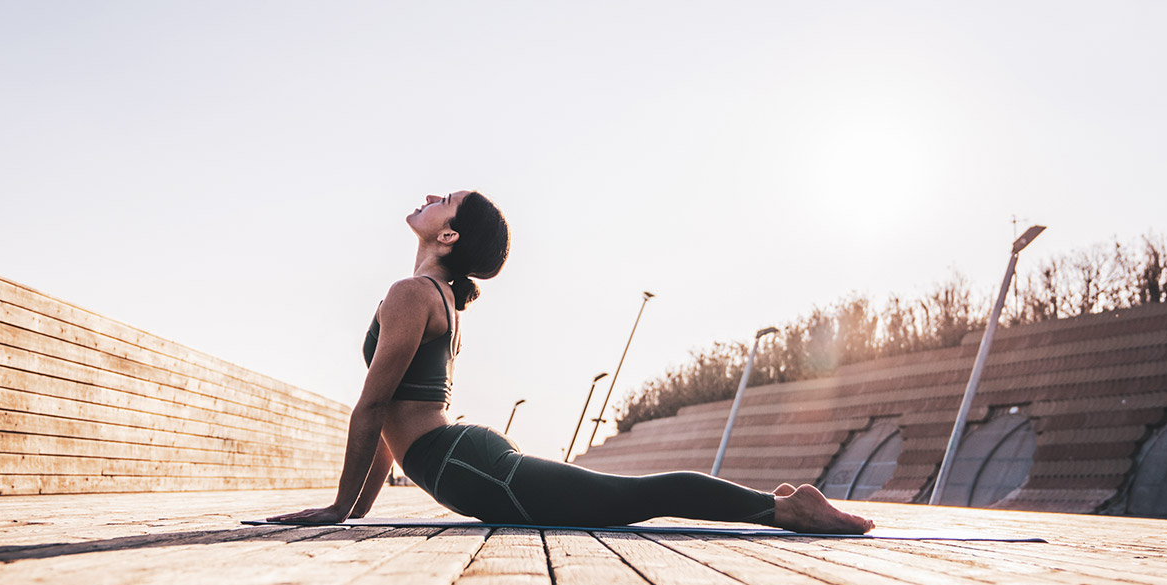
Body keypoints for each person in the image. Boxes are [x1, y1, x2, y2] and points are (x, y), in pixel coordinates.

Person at [265, 190, 874, 533]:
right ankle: (781, 504)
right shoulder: (434, 297)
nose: (430, 198)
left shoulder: (411, 295)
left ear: (448, 236)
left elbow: (374, 407)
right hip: (458, 460)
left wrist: (338, 510)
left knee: (629, 501)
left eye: (444, 201)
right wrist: (355, 509)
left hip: (466, 466)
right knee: (625, 501)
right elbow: (389, 415)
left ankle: (786, 509)